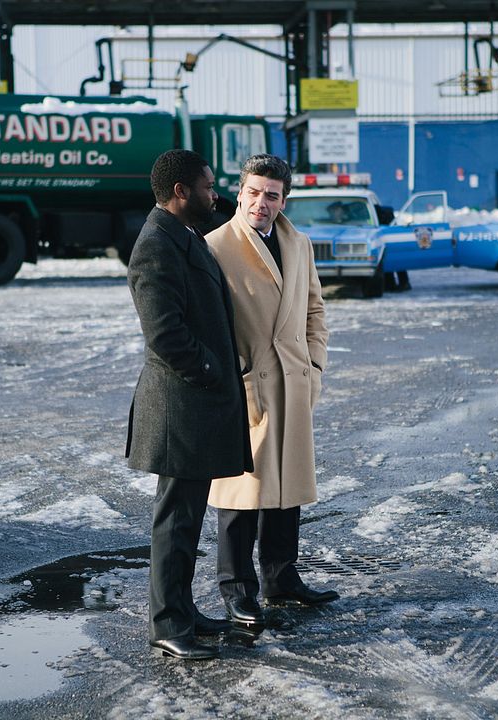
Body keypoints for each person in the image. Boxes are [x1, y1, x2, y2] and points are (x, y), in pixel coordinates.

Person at [125, 149, 253, 660]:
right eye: (207, 186)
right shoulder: (156, 245)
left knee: (187, 519)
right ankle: (167, 624)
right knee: (175, 521)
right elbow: (164, 334)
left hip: (193, 406)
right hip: (180, 408)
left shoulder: (182, 234)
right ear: (180, 191)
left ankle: (182, 611)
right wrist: (211, 370)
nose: (215, 194)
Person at [205, 154, 337, 631]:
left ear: (284, 201)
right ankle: (237, 590)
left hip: (294, 380)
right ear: (240, 193)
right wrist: (231, 373)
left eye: (272, 195)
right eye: (254, 192)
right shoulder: (215, 245)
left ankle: (281, 578)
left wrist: (314, 365)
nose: (261, 202)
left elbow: (315, 309)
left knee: (287, 488)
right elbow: (206, 321)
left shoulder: (298, 243)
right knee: (240, 494)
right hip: (248, 383)